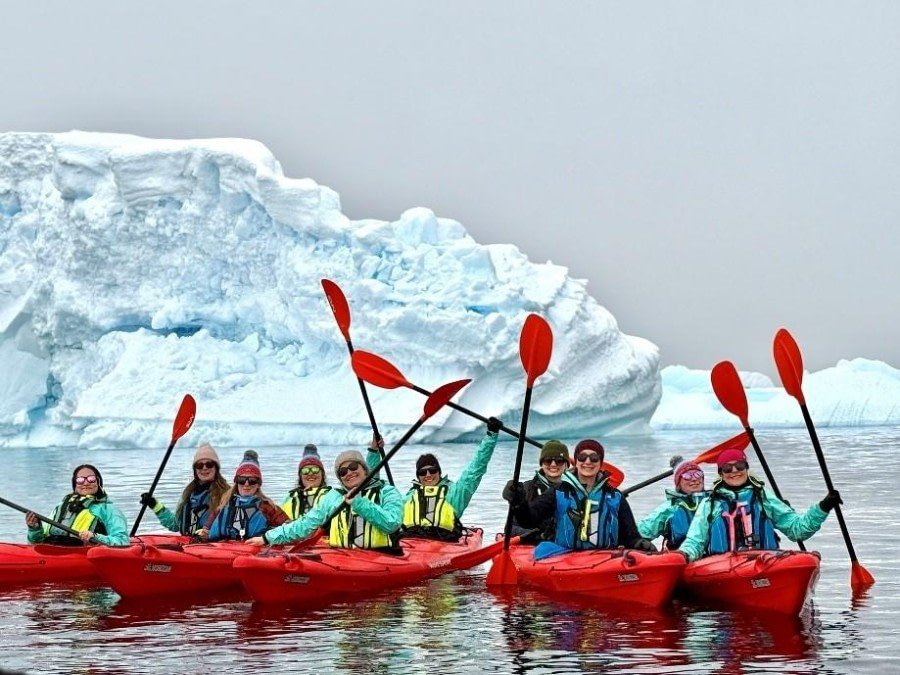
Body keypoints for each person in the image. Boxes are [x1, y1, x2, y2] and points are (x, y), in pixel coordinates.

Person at [677, 447, 842, 562]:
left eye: (739, 466)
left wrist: (823, 507)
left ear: (746, 468)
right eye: (727, 468)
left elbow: (797, 530)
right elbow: (695, 542)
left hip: (765, 561)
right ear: (721, 474)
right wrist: (683, 555)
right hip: (721, 566)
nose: (734, 471)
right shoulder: (710, 504)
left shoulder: (763, 498)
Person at [503, 439, 656, 554]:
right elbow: (528, 519)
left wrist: (639, 543)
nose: (588, 461)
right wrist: (518, 501)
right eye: (582, 457)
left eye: (594, 458)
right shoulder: (558, 492)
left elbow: (631, 536)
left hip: (604, 558)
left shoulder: (615, 497)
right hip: (565, 558)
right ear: (576, 462)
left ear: (600, 463)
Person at [246, 447, 403, 550]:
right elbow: (305, 524)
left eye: (354, 467)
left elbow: (392, 523)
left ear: (365, 470)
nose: (349, 473)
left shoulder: (387, 492)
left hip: (382, 556)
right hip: (341, 557)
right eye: (342, 472)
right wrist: (266, 538)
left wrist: (359, 502)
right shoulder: (334, 497)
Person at [400, 417, 502, 541]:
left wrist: (491, 436)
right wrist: (374, 452)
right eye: (422, 472)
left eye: (432, 470)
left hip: (444, 542)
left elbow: (476, 469)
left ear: (439, 472)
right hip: (411, 542)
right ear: (418, 477)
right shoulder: (410, 497)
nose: (428, 475)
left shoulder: (454, 494)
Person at [137, 442, 231, 536]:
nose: (204, 468)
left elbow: (231, 526)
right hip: (188, 545)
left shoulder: (227, 494)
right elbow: (174, 524)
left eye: (209, 464)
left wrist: (209, 534)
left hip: (213, 547)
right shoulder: (188, 494)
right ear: (195, 470)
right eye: (199, 465)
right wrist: (154, 505)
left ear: (216, 468)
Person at [25, 464, 129, 546]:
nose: (86, 483)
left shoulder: (109, 509)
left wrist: (95, 537)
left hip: (82, 554)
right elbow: (36, 542)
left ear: (98, 482)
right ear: (75, 485)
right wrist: (34, 529)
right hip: (52, 552)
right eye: (80, 480)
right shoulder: (61, 507)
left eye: (91, 479)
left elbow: (122, 541)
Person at [203, 450, 289, 542]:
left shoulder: (268, 507)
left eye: (252, 480)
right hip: (221, 549)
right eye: (242, 480)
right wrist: (203, 535)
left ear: (258, 484)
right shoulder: (224, 504)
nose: (246, 484)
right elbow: (205, 531)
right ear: (236, 482)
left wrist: (271, 535)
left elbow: (289, 527)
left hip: (254, 550)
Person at [638, 457, 708, 550]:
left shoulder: (715, 503)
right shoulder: (669, 509)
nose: (694, 479)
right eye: (687, 476)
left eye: (698, 474)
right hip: (682, 560)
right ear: (678, 483)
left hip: (718, 560)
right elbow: (640, 531)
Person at [509, 439, 570, 543]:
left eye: (559, 460)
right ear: (541, 464)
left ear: (566, 465)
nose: (553, 464)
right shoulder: (526, 489)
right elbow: (510, 527)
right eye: (548, 460)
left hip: (566, 546)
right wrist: (536, 536)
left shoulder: (576, 491)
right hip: (532, 546)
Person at [280, 444, 332, 520]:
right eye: (305, 470)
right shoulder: (289, 498)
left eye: (315, 469)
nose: (310, 473)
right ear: (300, 476)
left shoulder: (332, 496)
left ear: (322, 474)